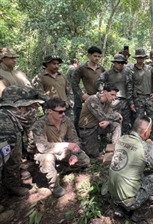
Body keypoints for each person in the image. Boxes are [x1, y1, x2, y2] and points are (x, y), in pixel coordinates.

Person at [108, 115, 153, 222]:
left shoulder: (121, 139)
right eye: (150, 131)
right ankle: (140, 209)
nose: (150, 133)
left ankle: (120, 207)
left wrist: (150, 144)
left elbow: (135, 147)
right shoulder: (146, 148)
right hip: (129, 201)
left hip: (114, 194)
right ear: (146, 133)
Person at [0, 85, 45, 222]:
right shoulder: (5, 124)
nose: (36, 110)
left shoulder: (12, 119)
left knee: (14, 160)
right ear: (20, 108)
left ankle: (11, 186)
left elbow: (12, 158)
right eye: (32, 107)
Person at [31, 98, 90, 197]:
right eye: (60, 112)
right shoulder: (39, 125)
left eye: (65, 111)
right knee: (48, 158)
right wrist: (66, 145)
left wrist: (74, 154)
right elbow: (42, 147)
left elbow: (74, 139)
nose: (63, 114)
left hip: (60, 150)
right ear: (49, 111)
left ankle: (58, 167)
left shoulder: (66, 120)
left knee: (85, 160)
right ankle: (54, 185)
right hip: (45, 153)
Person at [78, 82, 122, 158]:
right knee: (93, 154)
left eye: (115, 95)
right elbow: (103, 117)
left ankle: (115, 149)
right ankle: (81, 143)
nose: (114, 98)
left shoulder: (108, 101)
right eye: (112, 94)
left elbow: (109, 115)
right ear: (105, 92)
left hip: (98, 126)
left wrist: (108, 121)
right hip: (87, 130)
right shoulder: (93, 99)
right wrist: (117, 115)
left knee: (116, 126)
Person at [95, 54, 132, 135]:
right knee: (114, 120)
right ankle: (112, 140)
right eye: (118, 63)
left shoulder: (126, 72)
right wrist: (103, 92)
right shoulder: (108, 73)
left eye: (122, 63)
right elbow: (98, 82)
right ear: (114, 63)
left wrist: (130, 100)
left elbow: (129, 86)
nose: (120, 64)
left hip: (125, 100)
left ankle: (124, 139)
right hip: (113, 101)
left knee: (126, 121)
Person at [71, 46, 106, 130]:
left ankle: (101, 136)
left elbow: (107, 82)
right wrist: (81, 94)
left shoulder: (101, 68)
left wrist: (104, 93)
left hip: (99, 98)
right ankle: (79, 136)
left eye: (98, 56)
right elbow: (74, 83)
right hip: (88, 98)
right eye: (95, 56)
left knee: (100, 117)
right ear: (89, 55)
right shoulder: (82, 69)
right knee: (81, 118)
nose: (97, 58)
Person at [128, 48, 153, 140]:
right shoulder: (132, 71)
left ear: (145, 58)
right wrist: (131, 102)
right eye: (139, 58)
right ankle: (139, 140)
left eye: (142, 58)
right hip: (138, 98)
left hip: (149, 97)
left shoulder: (149, 69)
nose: (140, 59)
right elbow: (129, 86)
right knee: (139, 122)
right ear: (136, 58)